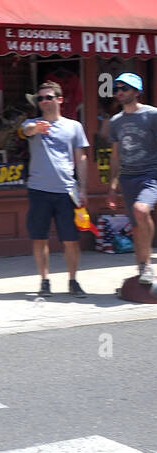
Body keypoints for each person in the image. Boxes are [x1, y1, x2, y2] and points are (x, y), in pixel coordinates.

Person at [21, 80, 91, 297]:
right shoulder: (32, 123)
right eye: (40, 98)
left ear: (59, 99)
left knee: (70, 240)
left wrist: (84, 189)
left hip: (67, 191)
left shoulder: (74, 126)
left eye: (48, 97)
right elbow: (26, 131)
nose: (44, 101)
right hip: (39, 190)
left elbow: (81, 158)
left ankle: (73, 280)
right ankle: (44, 281)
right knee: (39, 237)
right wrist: (36, 128)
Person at [107, 72, 157, 286]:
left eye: (124, 88)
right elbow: (115, 155)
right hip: (127, 177)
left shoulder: (152, 115)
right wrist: (112, 187)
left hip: (150, 174)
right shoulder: (116, 121)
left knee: (141, 210)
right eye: (116, 89)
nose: (119, 92)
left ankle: (147, 266)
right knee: (136, 226)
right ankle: (141, 269)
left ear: (136, 92)